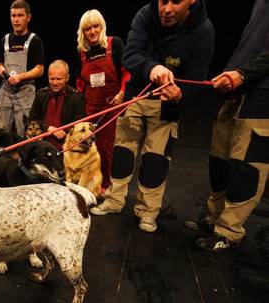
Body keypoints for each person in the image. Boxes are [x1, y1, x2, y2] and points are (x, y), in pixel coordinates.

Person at [91, 0, 215, 234]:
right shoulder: (146, 14)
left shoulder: (203, 31)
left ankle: (147, 211)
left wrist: (181, 94)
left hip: (167, 106)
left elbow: (197, 77)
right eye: (163, 1)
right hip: (137, 95)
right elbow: (131, 55)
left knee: (155, 161)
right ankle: (115, 201)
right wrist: (152, 68)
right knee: (122, 153)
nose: (166, 9)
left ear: (192, 2)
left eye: (176, 2)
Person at [185, 0, 269, 252]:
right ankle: (213, 217)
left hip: (263, 91)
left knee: (246, 166)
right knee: (219, 160)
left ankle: (229, 231)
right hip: (238, 87)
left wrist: (244, 73)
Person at [75, 9, 130, 192]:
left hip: (112, 108)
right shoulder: (83, 52)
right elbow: (81, 82)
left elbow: (126, 73)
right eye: (87, 28)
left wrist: (122, 92)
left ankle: (108, 187)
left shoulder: (114, 44)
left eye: (95, 26)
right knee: (91, 149)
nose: (92, 31)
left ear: (102, 26)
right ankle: (92, 187)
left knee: (107, 150)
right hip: (90, 108)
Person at [0, 0, 45, 137]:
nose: (16, 20)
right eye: (13, 16)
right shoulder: (5, 40)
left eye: (20, 15)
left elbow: (39, 69)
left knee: (26, 132)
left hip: (25, 91)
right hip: (6, 89)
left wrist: (20, 77)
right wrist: (1, 70)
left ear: (28, 17)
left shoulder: (35, 41)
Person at [29, 60, 86, 150]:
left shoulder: (77, 97)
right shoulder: (41, 94)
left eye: (59, 79)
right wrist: (48, 128)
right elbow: (33, 119)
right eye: (52, 79)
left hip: (67, 146)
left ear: (67, 78)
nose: (55, 83)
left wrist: (63, 131)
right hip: (42, 145)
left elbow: (79, 123)